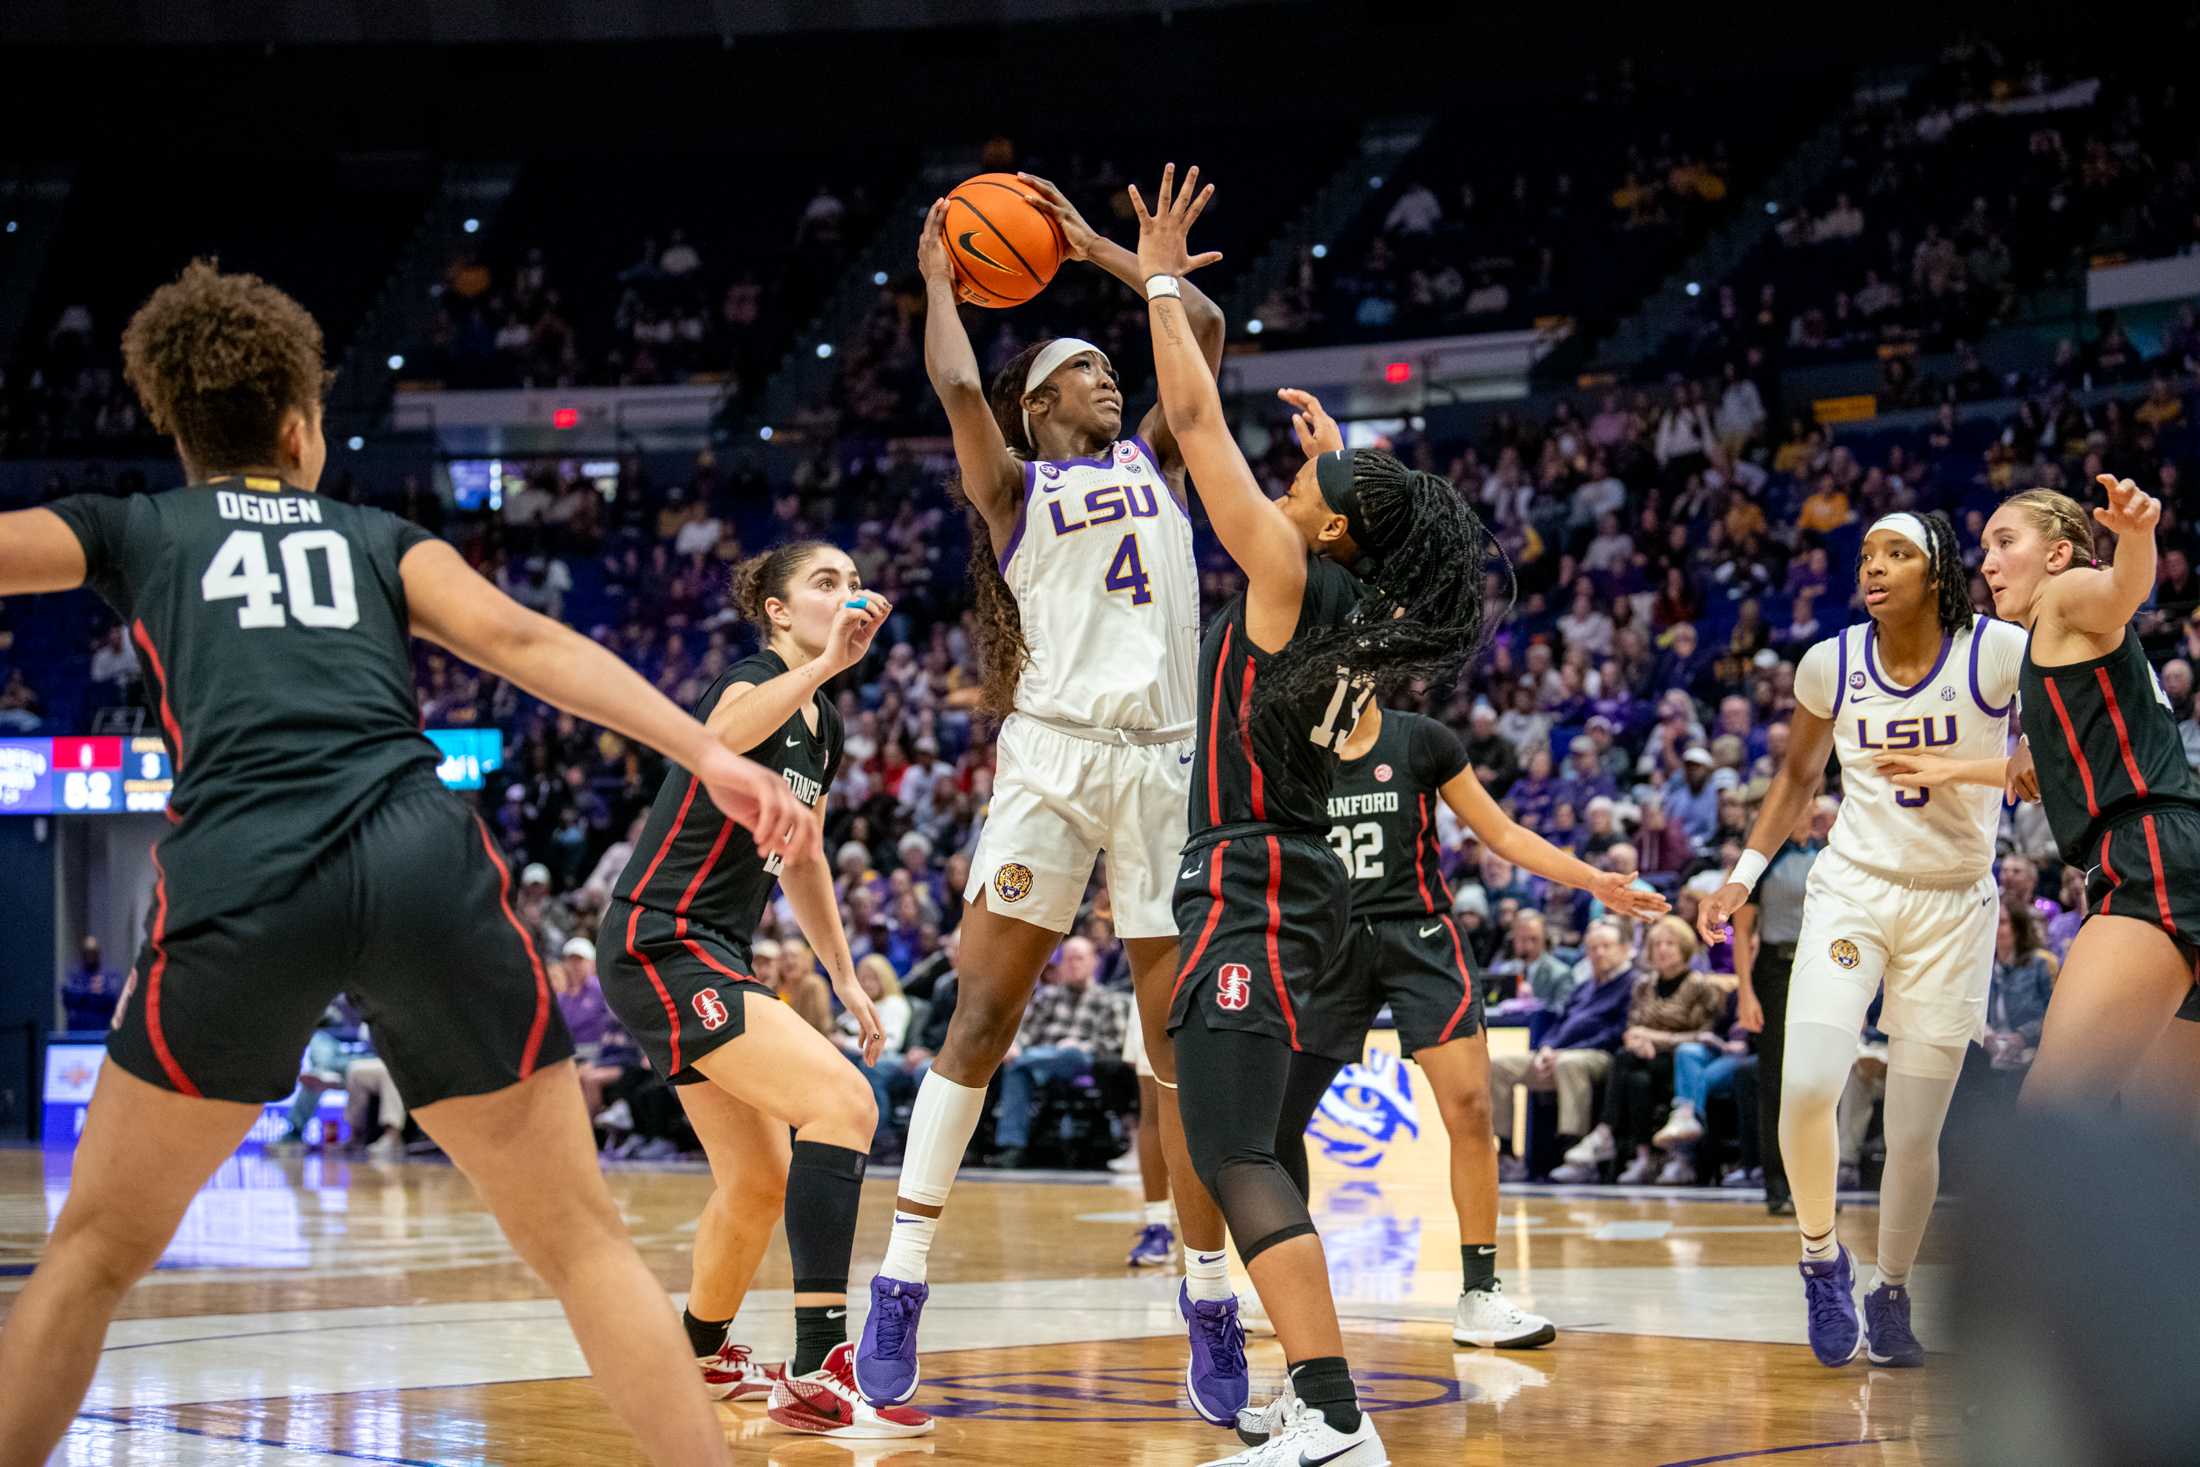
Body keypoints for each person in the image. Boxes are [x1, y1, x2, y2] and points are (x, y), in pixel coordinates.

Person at [0, 260, 810, 1467]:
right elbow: (522, 640)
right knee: (583, 1243)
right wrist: (706, 750)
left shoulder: (136, 525)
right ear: (298, 426)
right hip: (417, 851)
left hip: (244, 869)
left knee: (95, 1254)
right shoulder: (376, 535)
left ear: (176, 430)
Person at [1131, 166, 1500, 1467]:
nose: (1291, 488)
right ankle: (1311, 1399)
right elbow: (1340, 503)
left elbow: (1185, 413)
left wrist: (1161, 273)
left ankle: (1337, 1417)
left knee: (1228, 1143)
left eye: (1316, 487)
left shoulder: (1290, 572)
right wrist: (1329, 465)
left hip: (1252, 885)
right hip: (1301, 897)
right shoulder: (1348, 592)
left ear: (1329, 525)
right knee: (1267, 1144)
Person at [862, 170, 1235, 1414]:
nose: (1108, 377)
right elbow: (959, 385)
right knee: (981, 1015)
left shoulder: (1163, 459)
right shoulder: (1015, 490)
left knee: (1175, 1050)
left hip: (1165, 764)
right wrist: (936, 282)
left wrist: (1106, 259)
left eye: (1107, 368)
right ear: (1039, 404)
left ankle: (1208, 1297)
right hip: (1053, 759)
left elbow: (1205, 336)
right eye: (1083, 368)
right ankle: (902, 1277)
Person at [597, 541, 933, 1439]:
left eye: (857, 581)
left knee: (756, 1180)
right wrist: (824, 664)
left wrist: (842, 973)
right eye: (826, 582)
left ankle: (699, 1349)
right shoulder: (752, 679)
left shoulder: (819, 722)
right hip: (659, 937)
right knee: (842, 1102)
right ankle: (818, 1365)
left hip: (709, 949)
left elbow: (805, 855)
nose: (848, 593)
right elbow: (716, 741)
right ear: (779, 611)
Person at [1700, 508, 2026, 1373]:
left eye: (1896, 554)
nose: (1874, 568)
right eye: (1867, 555)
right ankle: (1820, 1258)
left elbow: (2043, 763)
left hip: (1956, 905)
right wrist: (1743, 871)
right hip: (1853, 890)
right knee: (1807, 1084)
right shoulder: (1830, 662)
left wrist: (1967, 770)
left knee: (1916, 1133)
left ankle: (1890, 1289)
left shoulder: (1996, 652)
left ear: (1937, 570)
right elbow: (1799, 777)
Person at [1301, 700, 1665, 1349]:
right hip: (1328, 943)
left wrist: (1593, 882)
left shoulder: (1422, 740)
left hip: (1419, 937)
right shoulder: (1293, 745)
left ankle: (1479, 1291)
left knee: (1470, 1108)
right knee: (1274, 1122)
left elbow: (1503, 833)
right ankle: (1273, 1285)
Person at [1897, 481, 2200, 1117]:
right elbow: (2027, 772)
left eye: (2006, 542)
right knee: (2170, 1149)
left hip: (2149, 857)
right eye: (1984, 548)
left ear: (2059, 555)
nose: (1987, 563)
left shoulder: (2064, 601)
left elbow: (2120, 590)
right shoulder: (2061, 659)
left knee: (2051, 1116)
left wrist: (2138, 535)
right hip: (2173, 852)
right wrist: (1944, 770)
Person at [1558, 917, 1727, 1185]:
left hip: (1682, 1061)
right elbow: (1632, 1027)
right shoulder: (1643, 985)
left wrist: (1657, 1039)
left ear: (1684, 947)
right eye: (1656, 944)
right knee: (1636, 1076)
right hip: (1644, 1060)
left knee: (1628, 1064)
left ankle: (1607, 1135)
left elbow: (1705, 1035)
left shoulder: (1701, 987)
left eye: (1669, 944)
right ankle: (1645, 1157)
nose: (1662, 949)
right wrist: (1637, 1041)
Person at [1726, 800, 1824, 1214]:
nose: (1805, 810)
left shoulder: (1828, 854)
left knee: (1820, 1079)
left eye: (1809, 804)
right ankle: (1778, 1185)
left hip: (1819, 967)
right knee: (1776, 1081)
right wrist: (1745, 993)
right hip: (1774, 971)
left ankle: (1818, 1185)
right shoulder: (1763, 863)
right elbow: (1742, 931)